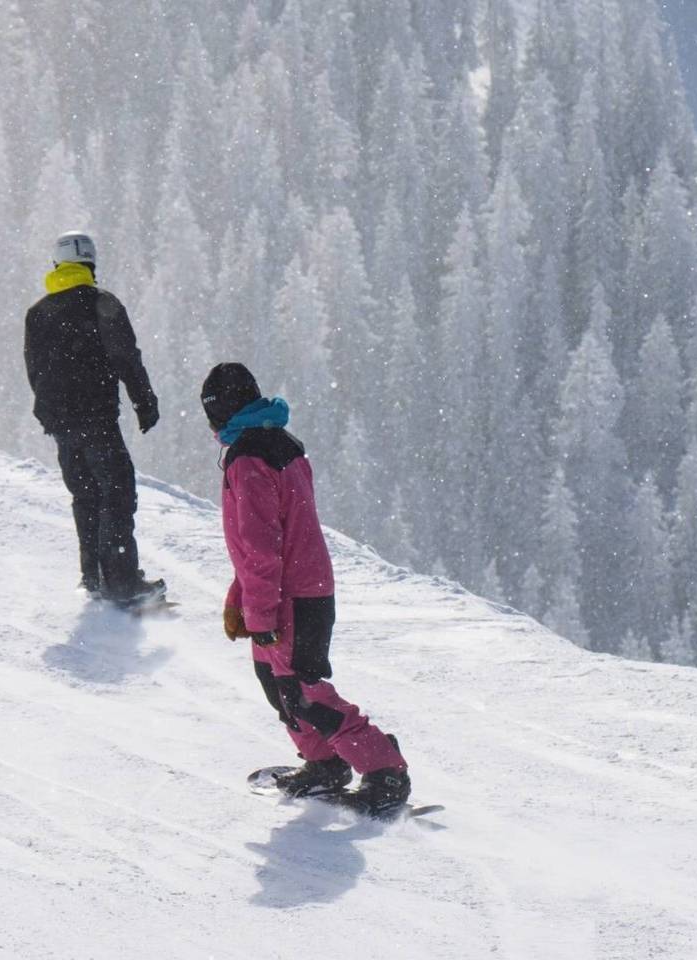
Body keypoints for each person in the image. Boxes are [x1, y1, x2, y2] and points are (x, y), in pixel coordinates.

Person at [201, 362, 411, 814]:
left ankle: (385, 771)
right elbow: (268, 539)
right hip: (292, 590)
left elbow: (262, 546)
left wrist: (260, 614)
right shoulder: (279, 444)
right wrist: (242, 595)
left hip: (290, 597)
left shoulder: (250, 459)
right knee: (276, 683)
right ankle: (325, 762)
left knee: (302, 691)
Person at [23, 230, 166, 605]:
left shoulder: (37, 313)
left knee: (85, 496)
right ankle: (122, 585)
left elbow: (34, 369)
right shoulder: (102, 304)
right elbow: (125, 357)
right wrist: (144, 401)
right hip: (97, 418)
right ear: (91, 264)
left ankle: (94, 577)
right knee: (116, 494)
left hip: (62, 425)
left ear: (57, 264)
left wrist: (47, 412)